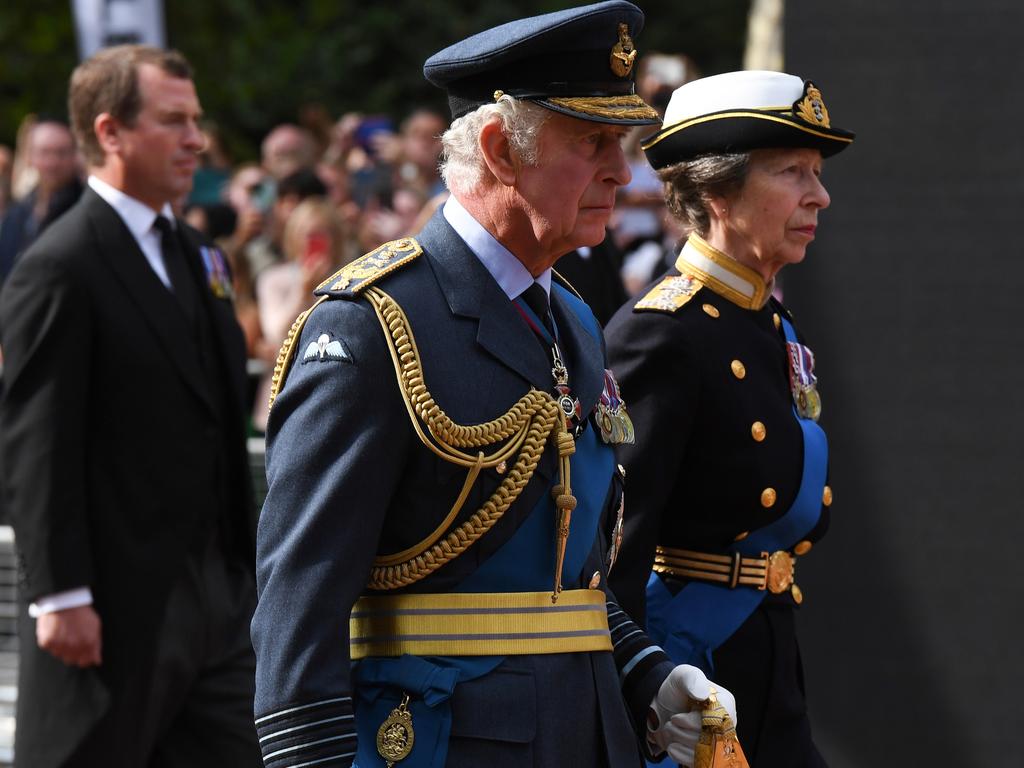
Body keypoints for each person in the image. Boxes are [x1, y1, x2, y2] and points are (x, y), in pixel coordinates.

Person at [251, 4, 737, 768]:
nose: (621, 168)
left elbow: (560, 572)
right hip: (441, 742)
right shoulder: (372, 323)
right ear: (497, 151)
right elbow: (299, 602)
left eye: (623, 142)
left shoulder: (571, 316)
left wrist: (649, 675)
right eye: (593, 142)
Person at [0, 44, 263, 767]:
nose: (196, 140)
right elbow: (37, 442)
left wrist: (240, 578)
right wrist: (59, 596)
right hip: (114, 604)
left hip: (215, 597)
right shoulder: (59, 266)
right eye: (174, 120)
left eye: (196, 119)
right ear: (111, 133)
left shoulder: (196, 255)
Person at [604, 70, 855, 766]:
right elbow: (611, 557)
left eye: (817, 172)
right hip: (688, 680)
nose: (820, 195)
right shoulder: (661, 333)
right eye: (791, 172)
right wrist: (638, 701)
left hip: (768, 668)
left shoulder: (772, 320)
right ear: (717, 190)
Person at [0, 119, 83, 284]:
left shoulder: (83, 211)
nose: (52, 162)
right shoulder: (18, 212)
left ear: (74, 155)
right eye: (45, 152)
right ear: (30, 156)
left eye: (61, 153)